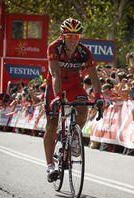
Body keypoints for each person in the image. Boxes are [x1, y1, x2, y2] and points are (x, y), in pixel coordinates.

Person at [44, 18, 102, 183]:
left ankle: (74, 136)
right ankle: (50, 165)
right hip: (55, 85)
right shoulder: (54, 47)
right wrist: (56, 97)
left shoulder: (84, 52)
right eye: (69, 36)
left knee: (83, 106)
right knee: (52, 122)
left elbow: (94, 76)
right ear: (63, 35)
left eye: (76, 36)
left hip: (74, 86)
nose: (73, 40)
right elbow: (55, 74)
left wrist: (98, 97)